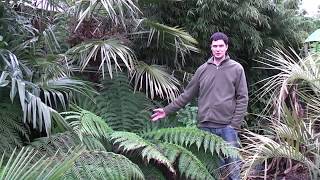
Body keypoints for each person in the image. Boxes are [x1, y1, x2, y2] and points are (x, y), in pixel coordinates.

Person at [151, 32, 248, 180]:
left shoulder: (236, 69)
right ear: (211, 47)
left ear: (226, 47)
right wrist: (166, 110)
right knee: (209, 170)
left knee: (233, 169)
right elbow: (187, 95)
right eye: (215, 46)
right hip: (205, 128)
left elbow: (243, 98)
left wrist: (234, 125)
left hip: (227, 127)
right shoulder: (202, 70)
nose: (218, 49)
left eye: (221, 46)